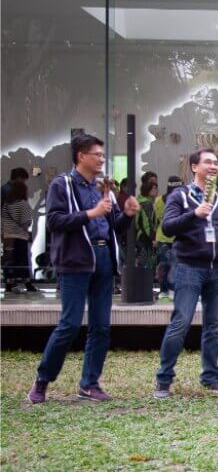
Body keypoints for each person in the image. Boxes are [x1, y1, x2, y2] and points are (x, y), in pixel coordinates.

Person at [27, 134, 140, 404]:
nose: (102, 159)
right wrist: (91, 213)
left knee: (101, 326)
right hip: (75, 260)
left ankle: (89, 384)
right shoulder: (62, 184)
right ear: (81, 156)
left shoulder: (103, 188)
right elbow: (54, 221)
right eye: (97, 154)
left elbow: (113, 226)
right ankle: (42, 381)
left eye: (102, 155)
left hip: (103, 258)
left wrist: (127, 214)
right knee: (69, 324)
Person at [153, 149, 218, 398]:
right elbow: (168, 227)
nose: (214, 166)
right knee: (181, 322)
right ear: (194, 167)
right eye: (208, 162)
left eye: (216, 163)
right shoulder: (180, 196)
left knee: (214, 326)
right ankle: (164, 379)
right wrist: (194, 214)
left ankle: (211, 378)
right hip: (188, 268)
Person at [2, 181, 36, 292]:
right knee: (22, 261)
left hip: (8, 237)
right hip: (20, 237)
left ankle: (9, 283)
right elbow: (26, 222)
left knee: (10, 260)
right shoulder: (23, 204)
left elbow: (3, 220)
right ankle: (28, 284)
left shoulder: (6, 204)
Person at [154, 177, 183, 300]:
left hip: (164, 236)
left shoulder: (158, 200)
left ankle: (165, 290)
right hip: (175, 236)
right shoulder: (181, 200)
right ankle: (170, 289)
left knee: (165, 265)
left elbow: (156, 219)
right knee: (173, 265)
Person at [133, 181, 160, 269]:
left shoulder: (141, 202)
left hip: (139, 236)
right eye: (154, 189)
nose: (157, 190)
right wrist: (153, 239)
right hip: (144, 238)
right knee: (146, 264)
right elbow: (147, 224)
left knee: (141, 263)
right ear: (147, 191)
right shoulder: (147, 204)